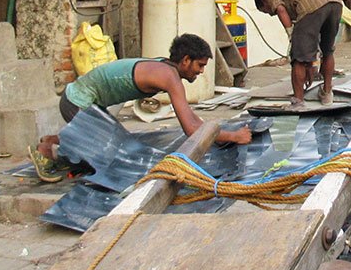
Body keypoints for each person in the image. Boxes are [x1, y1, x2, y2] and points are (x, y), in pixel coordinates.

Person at [31, 34, 252, 180]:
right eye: (200, 65)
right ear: (185, 60)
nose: (201, 71)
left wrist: (218, 131)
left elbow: (192, 119)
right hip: (77, 102)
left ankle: (52, 140)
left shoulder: (165, 66)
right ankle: (46, 152)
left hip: (89, 101)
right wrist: (233, 137)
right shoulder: (169, 77)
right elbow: (191, 129)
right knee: (111, 155)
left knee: (113, 144)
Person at [253, 0, 344, 107]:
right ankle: (327, 93)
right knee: (328, 51)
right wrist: (312, 64)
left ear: (264, 1)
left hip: (312, 1)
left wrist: (291, 34)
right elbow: (313, 45)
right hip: (335, 0)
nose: (271, 14)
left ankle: (298, 101)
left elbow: (280, 9)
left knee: (298, 58)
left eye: (266, 11)